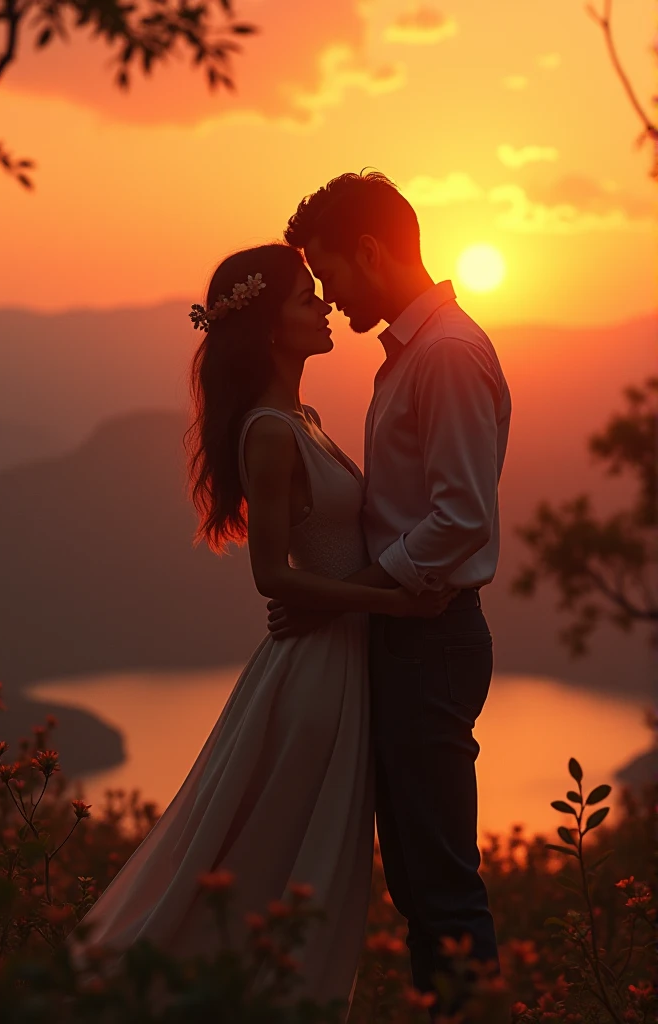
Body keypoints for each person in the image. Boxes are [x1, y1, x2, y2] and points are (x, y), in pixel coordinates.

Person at [65, 242, 450, 1014]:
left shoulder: (303, 417)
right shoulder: (271, 429)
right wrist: (394, 600)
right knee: (285, 860)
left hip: (335, 659)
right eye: (307, 299)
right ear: (271, 325)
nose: (324, 308)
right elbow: (271, 576)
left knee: (305, 863)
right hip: (315, 674)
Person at [271, 171, 512, 1006]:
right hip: (408, 635)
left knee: (440, 878)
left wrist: (359, 591)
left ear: (371, 251)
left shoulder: (444, 356)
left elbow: (460, 520)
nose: (329, 299)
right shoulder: (414, 355)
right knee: (417, 876)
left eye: (330, 272)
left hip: (431, 638)